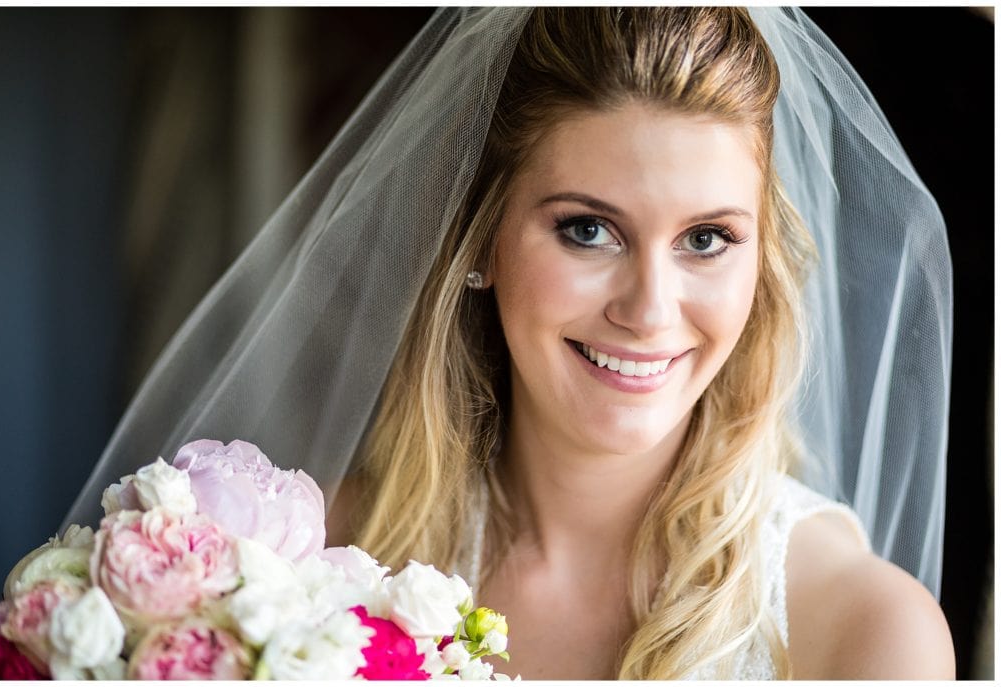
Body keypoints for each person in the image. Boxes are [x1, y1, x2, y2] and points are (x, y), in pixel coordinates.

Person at [63, 7, 955, 680]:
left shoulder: (865, 631)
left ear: (762, 262)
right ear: (483, 242)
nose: (650, 310)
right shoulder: (307, 554)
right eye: (588, 231)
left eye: (707, 239)